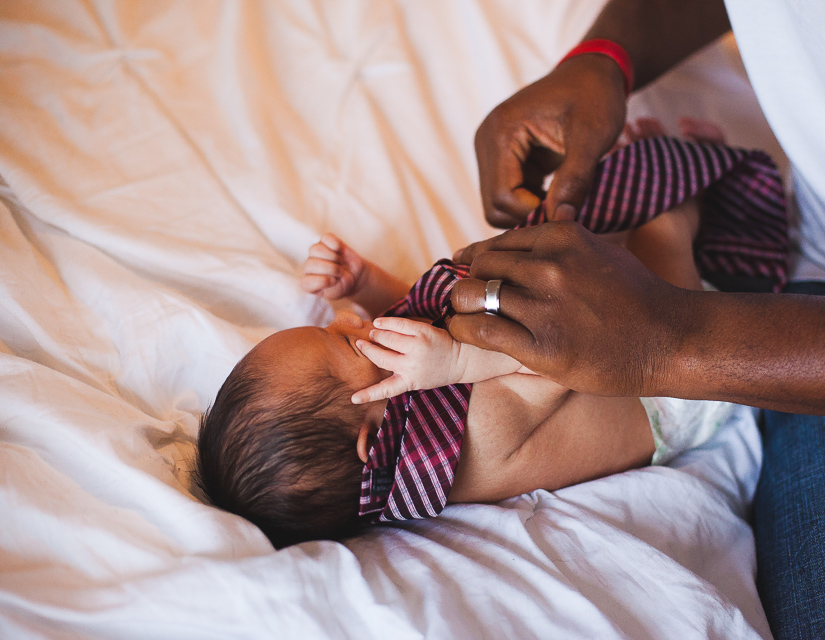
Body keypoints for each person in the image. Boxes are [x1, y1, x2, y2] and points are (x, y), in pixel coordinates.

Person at [448, 1, 825, 639]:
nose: (363, 335)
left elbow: (506, 365)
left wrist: (673, 340)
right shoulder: (448, 456)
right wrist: (606, 53)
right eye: (347, 349)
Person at [194, 122, 787, 549]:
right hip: (669, 390)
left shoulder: (403, 420)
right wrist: (455, 360)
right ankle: (690, 204)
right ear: (372, 440)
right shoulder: (470, 454)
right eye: (347, 344)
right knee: (657, 244)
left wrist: (364, 281)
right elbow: (556, 363)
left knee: (594, 247)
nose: (353, 323)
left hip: (602, 363)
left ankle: (652, 188)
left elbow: (410, 310)